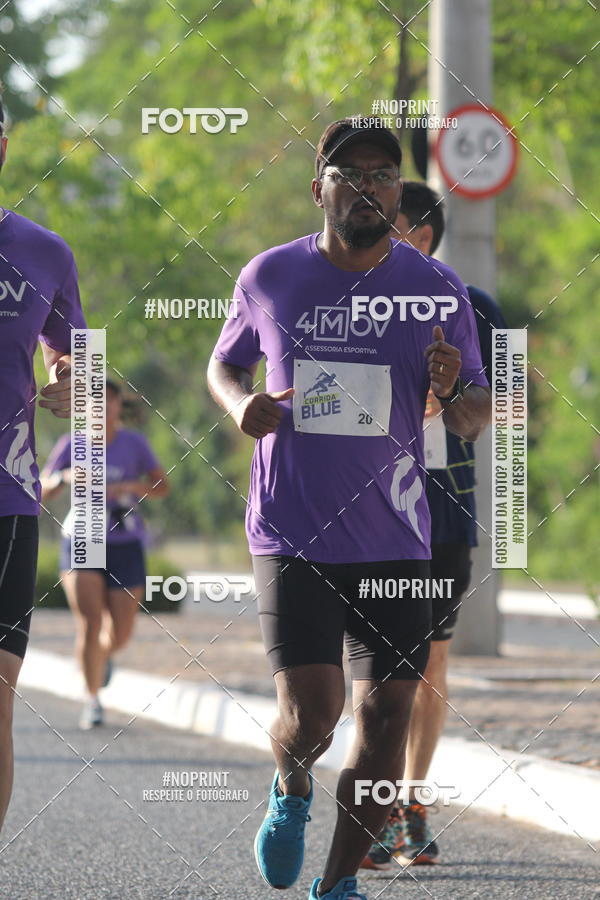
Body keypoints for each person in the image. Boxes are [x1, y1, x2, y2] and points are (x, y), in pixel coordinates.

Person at [207, 117, 491, 900]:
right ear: (319, 188)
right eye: (351, 173)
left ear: (397, 193)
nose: (369, 186)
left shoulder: (436, 288)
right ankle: (291, 782)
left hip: (396, 533)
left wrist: (449, 387)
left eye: (383, 175)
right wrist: (241, 406)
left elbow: (473, 414)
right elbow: (224, 363)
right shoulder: (270, 276)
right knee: (316, 714)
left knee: (388, 718)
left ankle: (337, 886)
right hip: (292, 529)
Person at [362, 181, 507, 870]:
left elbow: (503, 412)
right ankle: (367, 802)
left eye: (385, 223)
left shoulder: (476, 307)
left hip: (445, 506)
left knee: (429, 663)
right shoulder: (350, 295)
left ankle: (409, 803)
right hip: (364, 506)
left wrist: (449, 394)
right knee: (370, 666)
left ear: (419, 235)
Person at [0, 97, 85, 831]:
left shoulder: (44, 252)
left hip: (8, 495)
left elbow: (78, 356)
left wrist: (70, 382)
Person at [41, 379, 168, 729]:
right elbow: (43, 488)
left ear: (117, 406)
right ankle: (92, 698)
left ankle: (103, 655)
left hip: (125, 540)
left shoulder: (134, 443)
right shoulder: (72, 443)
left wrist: (131, 486)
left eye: (108, 402)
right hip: (82, 536)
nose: (101, 408)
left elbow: (162, 486)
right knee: (90, 622)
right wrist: (64, 477)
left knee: (121, 631)